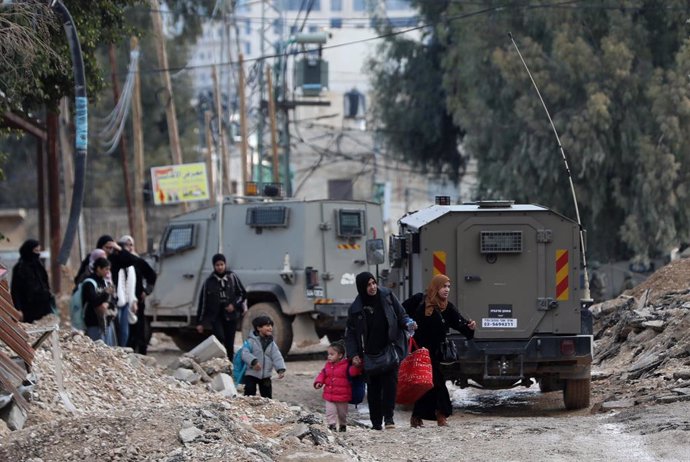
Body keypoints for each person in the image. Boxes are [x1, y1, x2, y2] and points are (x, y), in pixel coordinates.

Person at [344, 271, 416, 430]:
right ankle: (376, 423)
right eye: (368, 285)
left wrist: (408, 323)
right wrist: (354, 354)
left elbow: (401, 315)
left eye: (374, 283)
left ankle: (389, 420)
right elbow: (350, 333)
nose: (372, 287)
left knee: (390, 385)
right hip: (369, 354)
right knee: (374, 390)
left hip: (389, 349)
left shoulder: (387, 296)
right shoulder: (356, 308)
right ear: (362, 287)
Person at [407, 274, 476, 428]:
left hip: (436, 353)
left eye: (448, 287)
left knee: (434, 383)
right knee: (425, 383)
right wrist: (408, 324)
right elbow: (400, 313)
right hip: (419, 351)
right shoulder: (419, 301)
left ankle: (437, 414)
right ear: (435, 287)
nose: (446, 290)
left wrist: (470, 327)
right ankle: (428, 415)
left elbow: (461, 324)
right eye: (443, 286)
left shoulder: (447, 307)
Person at [195, 253, 247, 358]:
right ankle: (220, 360)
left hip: (231, 315)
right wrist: (199, 322)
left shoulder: (232, 277)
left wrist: (234, 305)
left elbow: (242, 294)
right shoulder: (209, 282)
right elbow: (203, 302)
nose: (220, 267)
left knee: (230, 342)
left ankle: (230, 365)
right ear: (214, 266)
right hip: (216, 316)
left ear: (225, 264)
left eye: (221, 264)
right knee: (219, 337)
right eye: (217, 265)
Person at [313, 341, 363, 432]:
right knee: (330, 412)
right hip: (329, 395)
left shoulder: (346, 366)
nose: (329, 356)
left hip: (342, 397)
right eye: (328, 354)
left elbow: (353, 373)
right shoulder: (328, 365)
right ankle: (332, 425)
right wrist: (319, 382)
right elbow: (323, 374)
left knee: (342, 414)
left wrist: (357, 366)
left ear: (340, 355)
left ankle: (343, 425)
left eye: (332, 354)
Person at [120, 235, 157, 355]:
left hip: (137, 301)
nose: (129, 247)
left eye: (131, 245)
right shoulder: (118, 259)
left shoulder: (137, 260)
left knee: (139, 328)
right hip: (122, 301)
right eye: (126, 245)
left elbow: (151, 276)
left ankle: (140, 354)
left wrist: (146, 291)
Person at [240, 315, 286, 398]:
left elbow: (277, 356)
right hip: (251, 374)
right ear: (258, 328)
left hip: (266, 375)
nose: (270, 328)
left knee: (267, 397)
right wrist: (254, 362)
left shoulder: (271, 343)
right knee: (249, 395)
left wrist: (280, 369)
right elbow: (244, 353)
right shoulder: (250, 341)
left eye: (271, 325)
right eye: (267, 326)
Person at [10, 239, 53, 323]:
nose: (38, 254)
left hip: (44, 308)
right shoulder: (20, 268)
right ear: (28, 251)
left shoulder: (39, 266)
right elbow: (15, 291)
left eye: (39, 251)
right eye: (35, 251)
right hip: (28, 309)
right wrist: (18, 309)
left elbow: (45, 284)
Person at [83, 257, 118, 346]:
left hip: (107, 323)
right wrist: (105, 294)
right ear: (98, 268)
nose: (108, 272)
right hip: (94, 323)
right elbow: (94, 301)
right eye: (106, 269)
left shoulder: (105, 283)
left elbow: (113, 300)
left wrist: (106, 304)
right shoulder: (89, 283)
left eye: (109, 269)